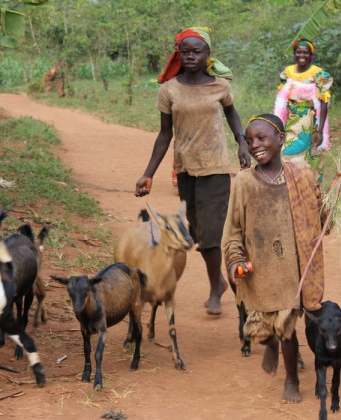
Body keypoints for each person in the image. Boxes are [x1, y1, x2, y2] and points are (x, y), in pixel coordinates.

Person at [222, 114, 341, 403]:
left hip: (295, 267)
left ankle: (291, 379)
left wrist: (339, 193)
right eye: (249, 140)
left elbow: (320, 221)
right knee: (264, 327)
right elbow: (233, 231)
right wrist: (234, 261)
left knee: (288, 324)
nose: (255, 145)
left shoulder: (301, 175)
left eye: (262, 138)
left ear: (280, 140)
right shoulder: (242, 182)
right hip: (261, 267)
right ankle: (270, 343)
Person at [135, 27, 251, 316]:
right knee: (198, 231)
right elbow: (165, 135)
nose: (190, 55)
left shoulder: (220, 86)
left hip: (216, 169)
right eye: (184, 51)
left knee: (211, 235)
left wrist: (242, 142)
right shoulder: (169, 89)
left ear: (208, 55)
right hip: (186, 170)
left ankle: (215, 289)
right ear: (179, 53)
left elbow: (231, 113)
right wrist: (148, 172)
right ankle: (220, 282)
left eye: (196, 51)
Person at [274, 38, 332, 182]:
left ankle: (312, 192)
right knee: (287, 153)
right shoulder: (288, 72)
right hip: (291, 121)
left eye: (306, 53)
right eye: (298, 52)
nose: (302, 56)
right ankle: (292, 188)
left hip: (311, 121)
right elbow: (283, 99)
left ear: (311, 55)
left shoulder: (318, 74)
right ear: (294, 54)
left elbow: (324, 102)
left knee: (313, 156)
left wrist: (319, 131)